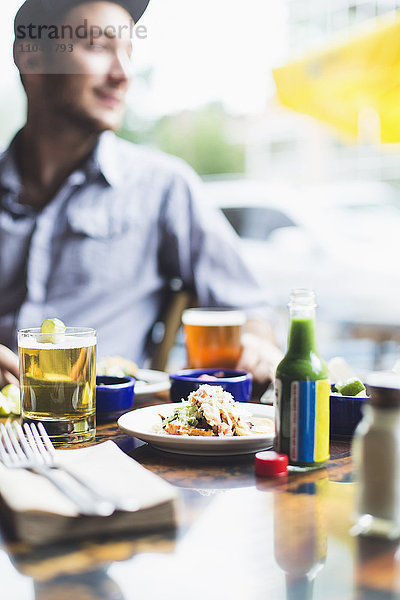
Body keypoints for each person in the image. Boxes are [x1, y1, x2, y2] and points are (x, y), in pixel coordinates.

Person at [0, 0, 282, 387]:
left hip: (108, 433)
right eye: (99, 47)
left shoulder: (162, 187)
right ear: (31, 59)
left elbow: (248, 307)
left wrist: (255, 342)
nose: (123, 74)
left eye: (128, 53)